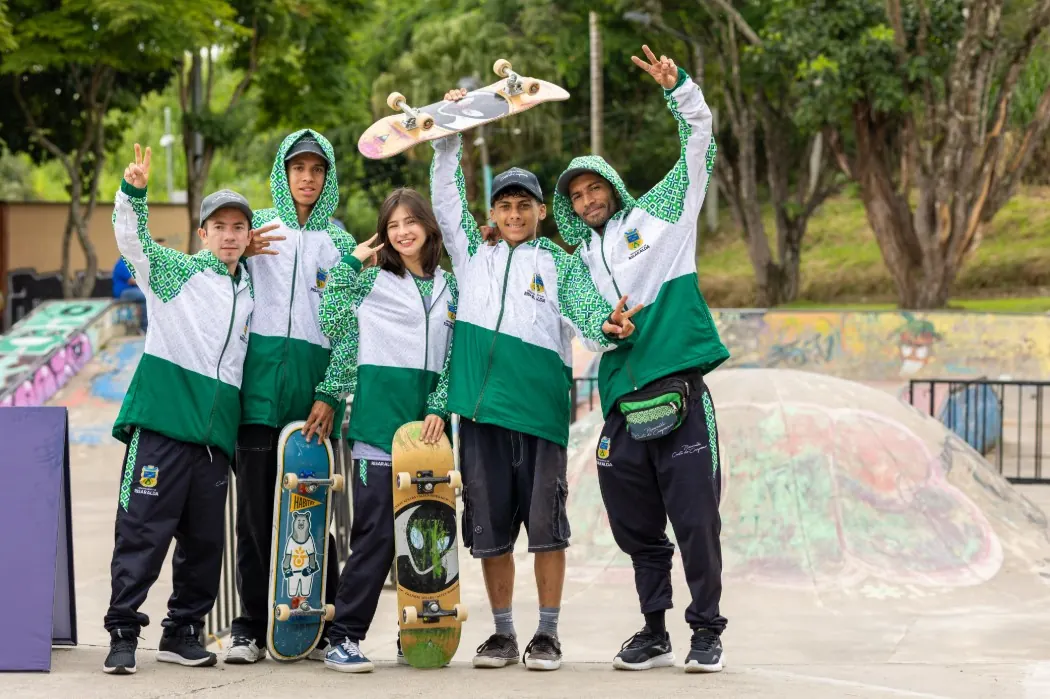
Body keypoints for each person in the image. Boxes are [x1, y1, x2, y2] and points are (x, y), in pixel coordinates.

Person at [429, 100, 640, 671]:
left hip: (542, 416)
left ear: (542, 212)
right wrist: (450, 136)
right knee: (490, 531)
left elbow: (588, 313)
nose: (515, 213)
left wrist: (609, 325)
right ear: (493, 213)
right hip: (479, 414)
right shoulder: (473, 253)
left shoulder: (560, 263)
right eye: (505, 205)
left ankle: (546, 635)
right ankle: (502, 634)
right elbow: (447, 200)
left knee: (548, 531)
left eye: (525, 205)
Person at [551, 46, 729, 674]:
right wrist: (606, 324)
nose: (586, 199)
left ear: (612, 186)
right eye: (575, 196)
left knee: (696, 522)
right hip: (623, 403)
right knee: (636, 526)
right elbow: (584, 322)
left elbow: (699, 144)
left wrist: (679, 88)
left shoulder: (662, 214)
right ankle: (654, 629)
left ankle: (706, 630)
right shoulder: (574, 263)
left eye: (594, 187)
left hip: (678, 383)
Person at [103, 144, 266, 674]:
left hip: (214, 443)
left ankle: (182, 632)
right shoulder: (175, 273)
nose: (229, 235)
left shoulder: (249, 290)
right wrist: (134, 192)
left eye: (239, 227)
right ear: (202, 233)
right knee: (142, 533)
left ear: (248, 235)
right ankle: (124, 631)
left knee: (203, 545)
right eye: (219, 226)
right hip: (163, 429)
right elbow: (133, 242)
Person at [226, 129, 357, 664]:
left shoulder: (342, 245)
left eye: (317, 169)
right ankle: (249, 627)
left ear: (327, 178)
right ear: (282, 172)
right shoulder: (257, 229)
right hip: (255, 398)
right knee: (255, 516)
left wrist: (331, 392)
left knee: (311, 509)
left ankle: (320, 617)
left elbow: (351, 327)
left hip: (312, 403)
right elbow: (211, 273)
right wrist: (236, 253)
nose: (307, 178)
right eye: (297, 168)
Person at [316, 188, 457, 673]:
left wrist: (441, 404)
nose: (403, 231)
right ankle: (344, 637)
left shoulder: (449, 288)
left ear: (428, 226)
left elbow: (455, 355)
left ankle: (414, 632)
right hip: (378, 425)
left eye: (410, 221)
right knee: (375, 535)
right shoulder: (370, 282)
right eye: (393, 225)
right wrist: (352, 264)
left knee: (426, 537)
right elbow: (329, 314)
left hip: (431, 435)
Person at [112, 237, 164, 333]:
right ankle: (144, 328)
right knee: (146, 296)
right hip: (124, 292)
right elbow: (134, 281)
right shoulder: (122, 264)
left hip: (135, 290)